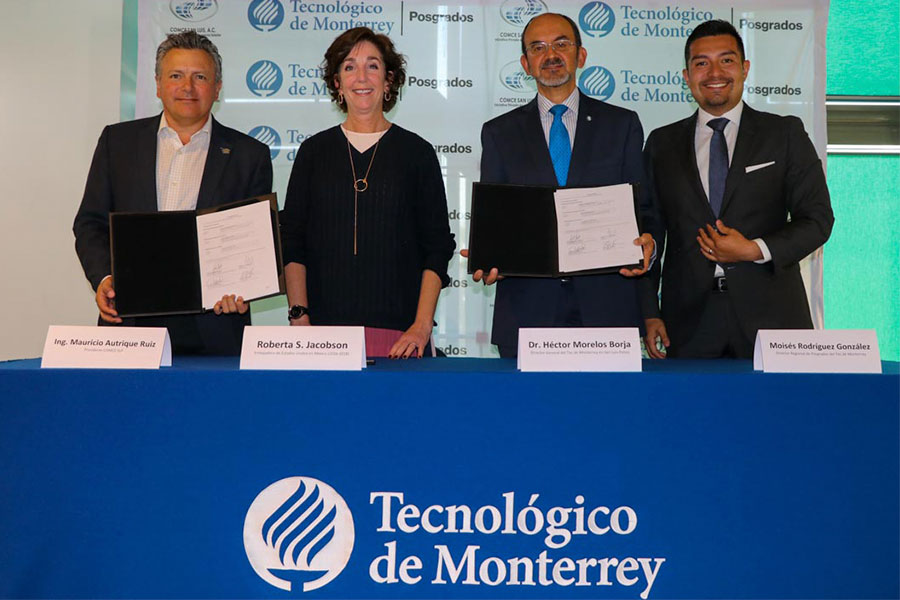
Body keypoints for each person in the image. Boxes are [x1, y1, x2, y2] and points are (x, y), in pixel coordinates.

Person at [466, 13, 659, 358]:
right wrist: (490, 255)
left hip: (608, 311)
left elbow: (642, 212)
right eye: (537, 48)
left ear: (580, 56)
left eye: (561, 44)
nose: (550, 55)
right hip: (527, 312)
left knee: (608, 412)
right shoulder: (499, 133)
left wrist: (648, 247)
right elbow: (498, 217)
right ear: (526, 64)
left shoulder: (622, 125)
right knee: (529, 413)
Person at [641, 19, 834, 359]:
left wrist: (753, 249)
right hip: (686, 324)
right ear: (686, 76)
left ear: (745, 69)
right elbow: (649, 230)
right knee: (689, 413)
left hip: (773, 318)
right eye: (701, 63)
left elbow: (817, 219)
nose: (714, 72)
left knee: (777, 413)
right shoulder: (661, 144)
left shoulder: (784, 135)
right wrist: (648, 311)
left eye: (726, 60)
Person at [73, 31, 273, 355]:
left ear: (217, 87)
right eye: (176, 75)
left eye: (200, 77)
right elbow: (89, 223)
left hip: (215, 329)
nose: (187, 87)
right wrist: (104, 278)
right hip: (129, 322)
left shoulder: (250, 155)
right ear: (157, 83)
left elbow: (253, 239)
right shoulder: (117, 143)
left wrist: (244, 287)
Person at [279, 27, 455, 359]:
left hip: (401, 337)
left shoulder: (417, 153)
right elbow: (293, 241)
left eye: (372, 66)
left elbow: (437, 247)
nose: (362, 76)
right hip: (322, 336)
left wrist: (421, 326)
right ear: (336, 83)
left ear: (388, 81)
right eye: (349, 66)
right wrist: (299, 318)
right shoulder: (313, 152)